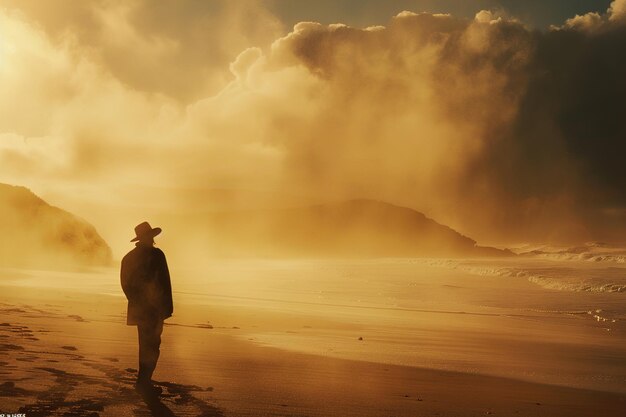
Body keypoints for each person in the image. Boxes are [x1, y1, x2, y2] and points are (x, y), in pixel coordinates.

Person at [120, 221, 173, 395]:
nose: (151, 240)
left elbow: (126, 284)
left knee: (147, 345)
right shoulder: (157, 255)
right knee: (152, 345)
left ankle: (144, 382)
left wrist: (136, 302)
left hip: (142, 309)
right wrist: (166, 308)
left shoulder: (129, 257)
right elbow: (165, 283)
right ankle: (143, 383)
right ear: (149, 237)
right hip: (153, 309)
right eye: (150, 237)